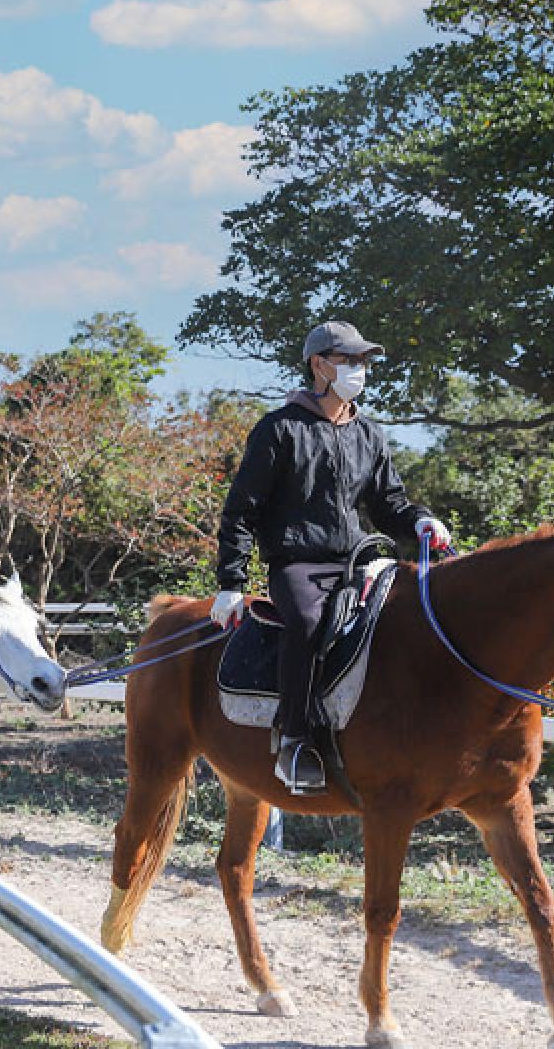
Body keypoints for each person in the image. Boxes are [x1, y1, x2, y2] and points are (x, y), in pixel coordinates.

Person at [209, 320, 450, 794]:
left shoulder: (370, 435)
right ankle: (296, 738)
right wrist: (230, 583)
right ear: (319, 365)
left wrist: (419, 520)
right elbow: (242, 511)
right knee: (306, 623)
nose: (360, 370)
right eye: (349, 361)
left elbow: (389, 505)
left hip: (358, 561)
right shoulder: (278, 430)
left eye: (363, 361)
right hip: (297, 565)